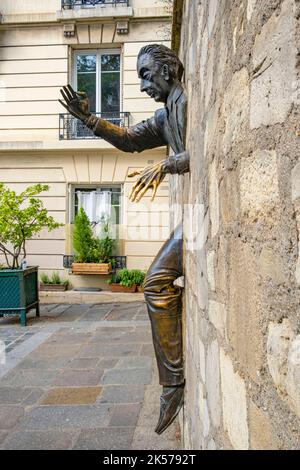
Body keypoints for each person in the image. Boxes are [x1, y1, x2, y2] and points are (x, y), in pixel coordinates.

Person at [59, 44, 190, 434]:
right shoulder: (167, 113)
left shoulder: (185, 105)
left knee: (153, 283)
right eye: (139, 78)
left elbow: (203, 152)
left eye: (147, 75)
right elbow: (131, 139)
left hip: (205, 218)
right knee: (155, 284)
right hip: (196, 218)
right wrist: (90, 120)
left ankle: (174, 384)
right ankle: (173, 383)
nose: (143, 84)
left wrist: (166, 164)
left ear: (169, 69)